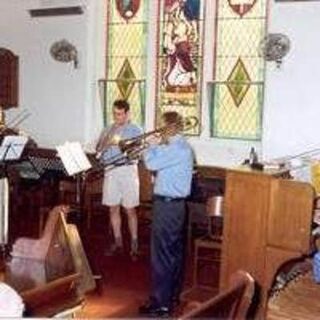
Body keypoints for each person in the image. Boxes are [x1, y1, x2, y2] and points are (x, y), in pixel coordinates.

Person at [139, 111, 194, 317]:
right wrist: (156, 147)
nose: (158, 130)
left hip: (168, 207)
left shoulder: (176, 149)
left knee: (161, 255)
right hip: (174, 207)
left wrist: (150, 147)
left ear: (167, 127)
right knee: (173, 255)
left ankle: (160, 304)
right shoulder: (179, 147)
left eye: (160, 126)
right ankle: (170, 297)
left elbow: (151, 164)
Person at [96, 99, 142, 258]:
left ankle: (134, 243)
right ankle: (118, 242)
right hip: (111, 171)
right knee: (113, 208)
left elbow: (138, 153)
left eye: (120, 114)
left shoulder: (135, 130)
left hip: (128, 170)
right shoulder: (108, 129)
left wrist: (125, 147)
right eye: (115, 114)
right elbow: (99, 153)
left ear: (128, 113)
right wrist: (105, 146)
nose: (117, 118)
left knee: (130, 209)